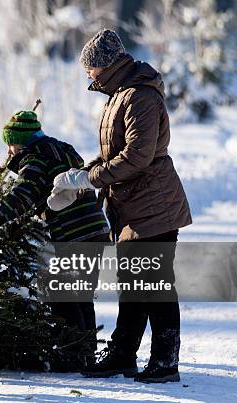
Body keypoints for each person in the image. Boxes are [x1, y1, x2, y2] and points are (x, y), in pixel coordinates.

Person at [48, 29, 192, 383]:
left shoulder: (139, 96)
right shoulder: (120, 94)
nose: (88, 76)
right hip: (133, 207)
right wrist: (82, 172)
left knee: (154, 285)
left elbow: (137, 157)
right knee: (133, 284)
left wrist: (90, 180)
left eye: (90, 70)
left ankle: (165, 360)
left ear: (105, 66)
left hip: (153, 205)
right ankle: (122, 354)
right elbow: (116, 154)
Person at [0, 110, 110, 368]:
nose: (9, 152)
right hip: (97, 230)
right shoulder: (62, 151)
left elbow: (18, 200)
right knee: (81, 295)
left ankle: (72, 355)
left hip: (72, 234)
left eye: (10, 145)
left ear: (19, 142)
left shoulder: (35, 159)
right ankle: (86, 354)